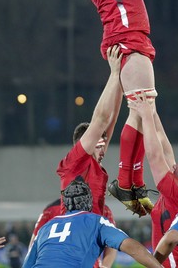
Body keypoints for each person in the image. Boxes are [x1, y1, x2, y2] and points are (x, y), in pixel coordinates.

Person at [74, 0, 162, 216]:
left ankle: (131, 181)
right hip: (122, 37)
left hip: (134, 36)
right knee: (142, 106)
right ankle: (127, 181)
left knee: (142, 109)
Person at [56, 45, 122, 268]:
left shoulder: (93, 163)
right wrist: (113, 73)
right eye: (99, 144)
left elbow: (110, 121)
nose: (104, 148)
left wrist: (121, 81)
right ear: (82, 144)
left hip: (87, 247)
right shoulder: (75, 162)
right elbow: (101, 120)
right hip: (73, 246)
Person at [128, 93, 178, 267]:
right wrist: (152, 109)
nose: (174, 166)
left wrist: (146, 117)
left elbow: (154, 155)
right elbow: (164, 144)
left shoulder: (177, 194)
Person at [22, 178, 163, 268]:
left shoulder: (46, 228)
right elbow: (131, 246)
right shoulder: (96, 221)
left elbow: (27, 264)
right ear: (89, 201)